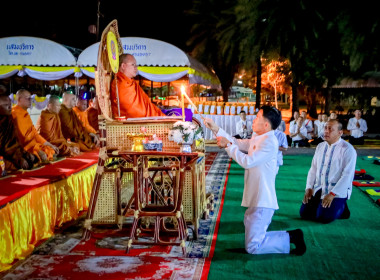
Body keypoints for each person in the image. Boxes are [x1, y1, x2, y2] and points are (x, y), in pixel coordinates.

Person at [204, 106, 306, 256]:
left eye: (257, 117)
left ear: (266, 124)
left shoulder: (269, 142)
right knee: (252, 238)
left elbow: (248, 161)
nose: (253, 119)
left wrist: (227, 145)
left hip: (263, 201)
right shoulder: (260, 137)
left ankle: (292, 237)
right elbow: (236, 142)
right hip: (257, 199)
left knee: (253, 248)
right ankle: (288, 236)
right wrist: (216, 128)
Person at [300, 119, 356, 223]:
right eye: (325, 128)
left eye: (330, 129)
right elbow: (313, 169)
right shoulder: (320, 146)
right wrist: (308, 187)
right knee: (304, 214)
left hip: (336, 190)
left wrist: (332, 194)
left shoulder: (348, 149)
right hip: (319, 187)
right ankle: (330, 206)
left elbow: (347, 176)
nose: (326, 131)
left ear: (340, 133)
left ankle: (342, 207)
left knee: (323, 218)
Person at [110, 53, 165, 119]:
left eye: (136, 65)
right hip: (138, 123)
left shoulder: (132, 83)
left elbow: (147, 104)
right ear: (123, 66)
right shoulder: (119, 84)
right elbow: (131, 110)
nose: (136, 68)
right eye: (133, 65)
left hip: (150, 117)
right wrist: (150, 116)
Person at [11, 89, 58, 162]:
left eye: (31, 98)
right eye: (28, 98)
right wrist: (37, 149)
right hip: (24, 148)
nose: (31, 100)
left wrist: (49, 144)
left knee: (51, 150)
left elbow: (34, 133)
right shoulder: (14, 114)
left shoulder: (25, 114)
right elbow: (23, 138)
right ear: (19, 99)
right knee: (41, 155)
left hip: (33, 145)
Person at [0, 94, 36, 170]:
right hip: (3, 156)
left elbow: (15, 143)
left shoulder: (9, 119)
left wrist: (24, 154)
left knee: (33, 159)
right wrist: (17, 159)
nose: (10, 107)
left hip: (11, 154)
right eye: (6, 105)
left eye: (10, 104)